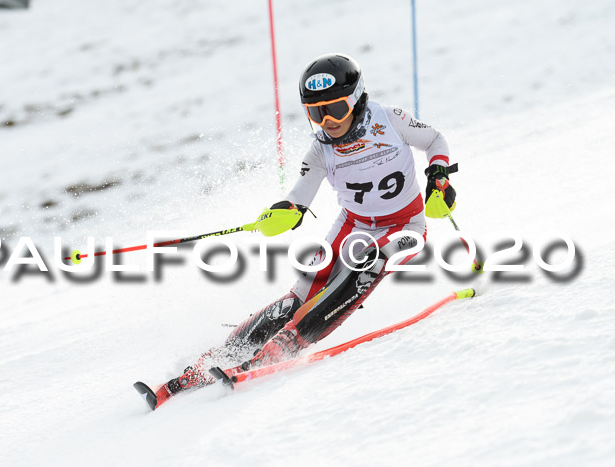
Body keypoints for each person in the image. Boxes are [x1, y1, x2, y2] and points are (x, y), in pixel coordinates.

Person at [142, 53, 458, 408]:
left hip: (406, 226)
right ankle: (212, 361)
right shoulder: (320, 150)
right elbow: (298, 199)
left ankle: (285, 346)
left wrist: (439, 175)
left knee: (372, 260)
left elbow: (435, 141)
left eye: (336, 109)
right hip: (352, 226)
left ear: (355, 99)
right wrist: (283, 213)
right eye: (316, 112)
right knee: (302, 293)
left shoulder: (390, 119)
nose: (328, 120)